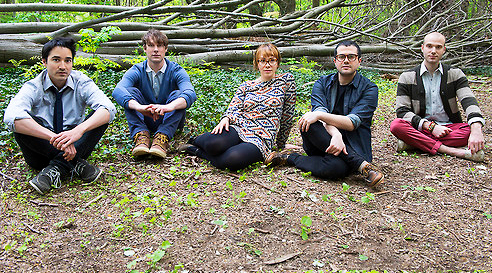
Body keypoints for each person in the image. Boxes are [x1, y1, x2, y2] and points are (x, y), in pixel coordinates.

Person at [4, 37, 116, 194]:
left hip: (76, 145)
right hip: (40, 153)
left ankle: (54, 170)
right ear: (44, 62)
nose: (63, 66)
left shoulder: (81, 82)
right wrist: (55, 139)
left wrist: (78, 131)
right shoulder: (33, 86)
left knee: (100, 116)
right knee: (21, 123)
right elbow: (11, 116)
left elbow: (109, 109)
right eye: (56, 60)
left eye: (68, 61)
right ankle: (76, 164)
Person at [267, 40, 384, 187]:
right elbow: (319, 114)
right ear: (335, 61)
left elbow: (352, 123)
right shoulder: (322, 83)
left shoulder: (369, 89)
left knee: (335, 168)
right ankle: (362, 166)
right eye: (341, 57)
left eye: (351, 57)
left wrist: (320, 116)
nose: (346, 60)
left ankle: (290, 158)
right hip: (321, 141)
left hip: (355, 145)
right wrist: (336, 134)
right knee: (310, 121)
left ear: (359, 61)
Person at [180, 43, 296, 171]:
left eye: (272, 60)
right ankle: (194, 141)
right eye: (262, 60)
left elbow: (287, 115)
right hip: (239, 126)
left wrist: (281, 144)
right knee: (213, 144)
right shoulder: (247, 86)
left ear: (277, 63)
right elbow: (234, 106)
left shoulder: (286, 82)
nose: (267, 65)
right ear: (257, 64)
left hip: (261, 137)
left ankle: (196, 151)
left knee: (232, 158)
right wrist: (226, 118)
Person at [390, 32, 485, 161]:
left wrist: (476, 129)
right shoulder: (407, 77)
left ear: (444, 50)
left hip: (449, 128)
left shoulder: (455, 74)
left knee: (469, 130)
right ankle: (452, 151)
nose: (433, 51)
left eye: (438, 47)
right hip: (420, 127)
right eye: (429, 46)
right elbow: (402, 111)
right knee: (396, 125)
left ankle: (413, 143)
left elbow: (469, 101)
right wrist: (431, 127)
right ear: (422, 48)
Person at [112, 29, 196, 159]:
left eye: (159, 45)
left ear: (165, 49)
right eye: (151, 45)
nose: (155, 50)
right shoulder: (137, 70)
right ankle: (141, 135)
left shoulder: (176, 70)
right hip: (145, 117)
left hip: (170, 118)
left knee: (178, 94)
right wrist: (139, 107)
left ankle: (162, 137)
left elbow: (190, 93)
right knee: (130, 92)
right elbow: (118, 90)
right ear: (145, 49)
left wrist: (169, 107)